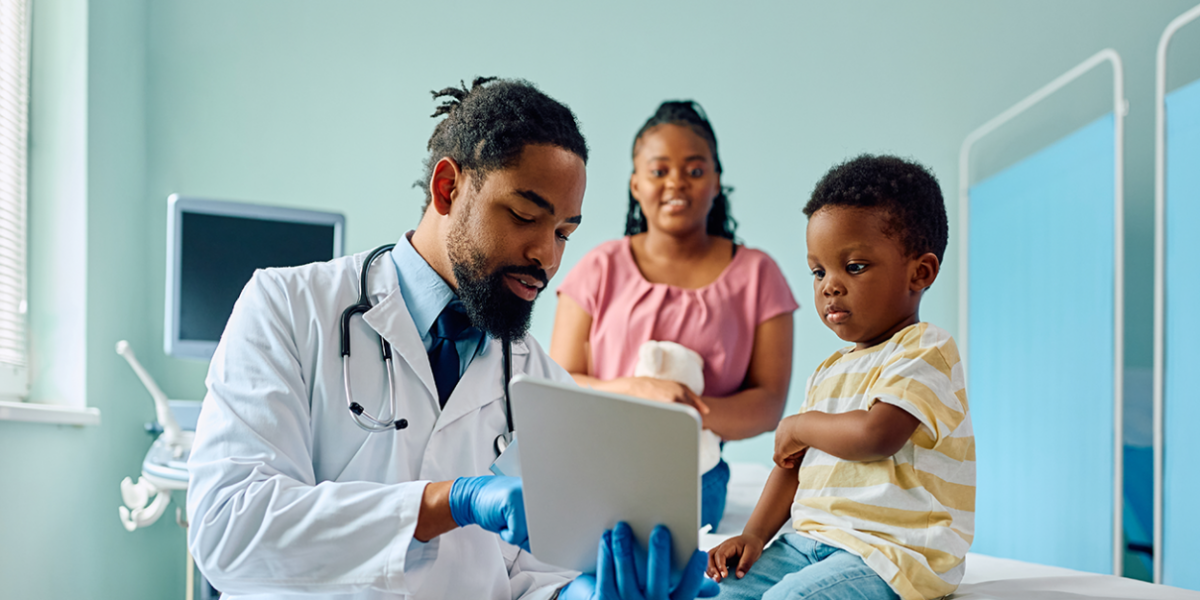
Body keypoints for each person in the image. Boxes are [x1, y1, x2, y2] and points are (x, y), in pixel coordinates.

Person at [186, 77, 716, 600]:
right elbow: (229, 530)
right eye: (525, 216)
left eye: (563, 234)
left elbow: (533, 577)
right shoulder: (287, 307)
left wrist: (581, 596)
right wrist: (447, 504)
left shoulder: (537, 381)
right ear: (448, 188)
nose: (547, 257)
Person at [705, 155, 975, 600]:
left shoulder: (926, 349)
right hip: (808, 542)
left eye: (853, 267)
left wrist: (797, 425)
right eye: (818, 271)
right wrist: (753, 536)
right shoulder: (829, 370)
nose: (830, 285)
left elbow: (877, 435)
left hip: (889, 554)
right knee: (721, 594)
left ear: (920, 272)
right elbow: (791, 466)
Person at [550, 101, 798, 531]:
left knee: (648, 530)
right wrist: (635, 391)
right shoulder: (598, 267)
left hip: (696, 471)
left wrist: (685, 413)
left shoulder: (760, 276)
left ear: (716, 181)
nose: (677, 183)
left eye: (695, 170)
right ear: (635, 184)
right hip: (599, 459)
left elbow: (769, 404)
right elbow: (558, 384)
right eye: (659, 171)